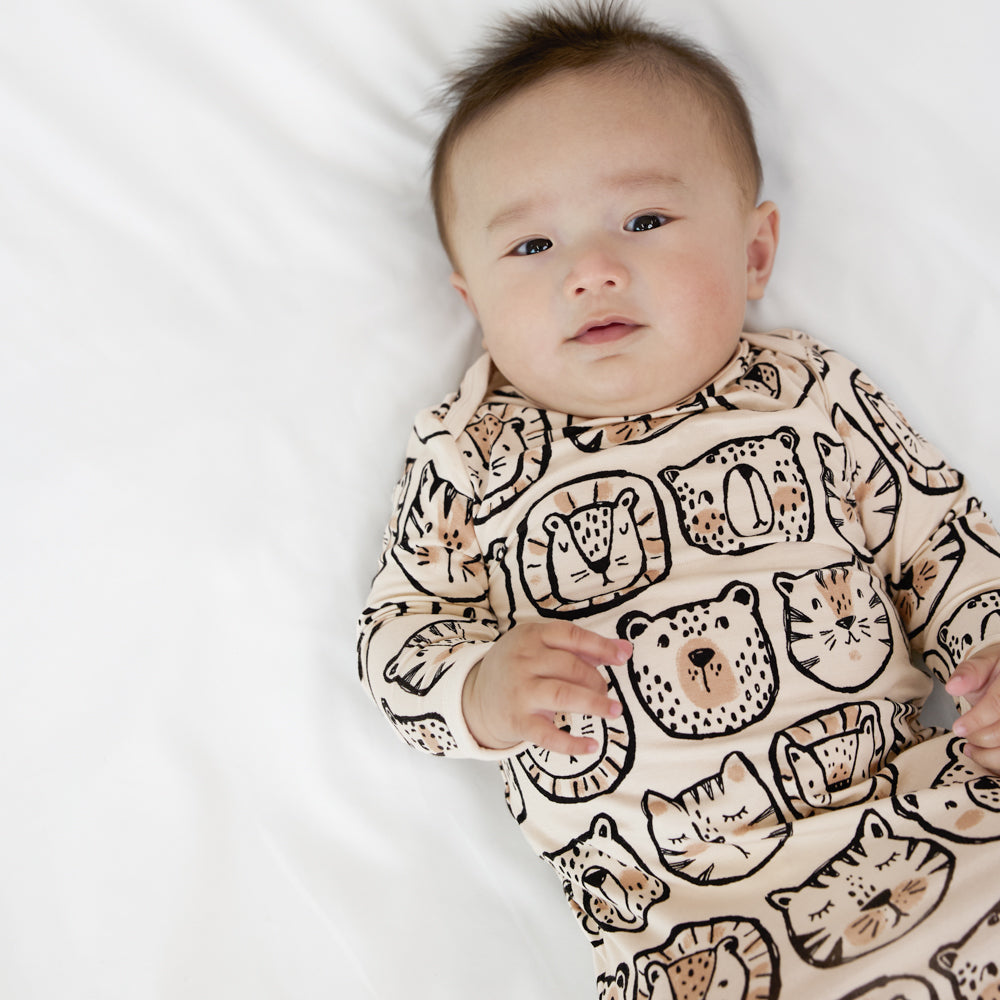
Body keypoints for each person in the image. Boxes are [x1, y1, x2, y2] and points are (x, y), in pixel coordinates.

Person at [358, 1, 1000, 994]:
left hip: (922, 825)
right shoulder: (467, 451)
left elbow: (939, 544)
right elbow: (396, 634)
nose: (592, 270)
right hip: (683, 923)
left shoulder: (809, 393)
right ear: (473, 300)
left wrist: (990, 654)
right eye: (530, 247)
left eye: (645, 220)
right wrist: (479, 688)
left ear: (753, 254)